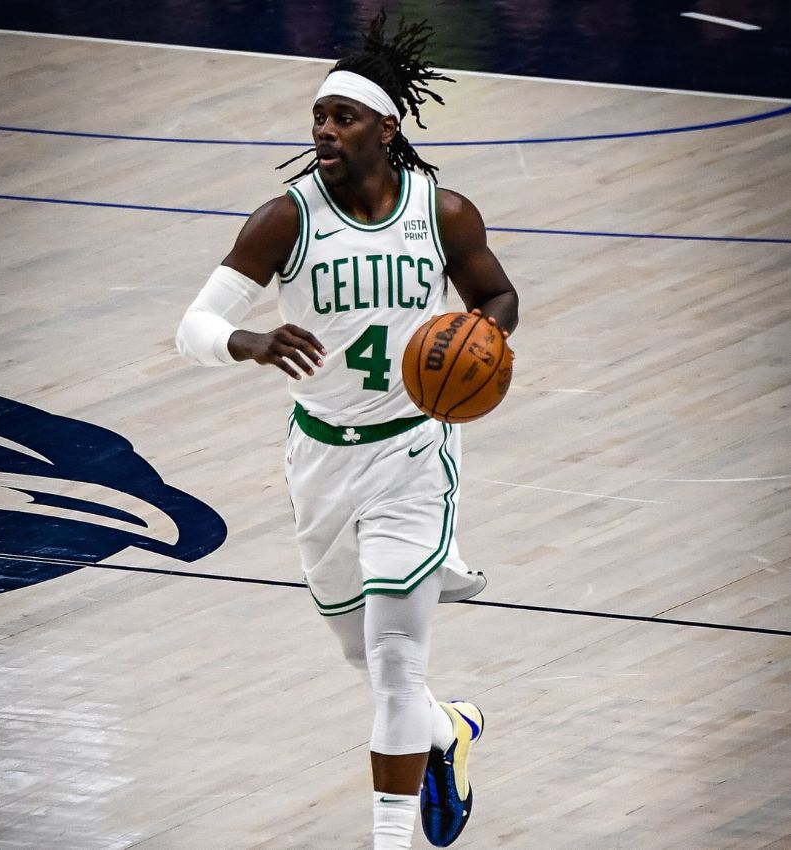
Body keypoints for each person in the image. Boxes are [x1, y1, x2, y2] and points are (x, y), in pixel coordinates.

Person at [176, 12, 518, 849]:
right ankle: (450, 732)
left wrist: (482, 343)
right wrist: (246, 340)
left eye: (343, 116)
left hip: (413, 450)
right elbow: (193, 326)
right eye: (318, 118)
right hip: (320, 457)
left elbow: (497, 298)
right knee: (364, 659)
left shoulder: (443, 211)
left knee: (396, 662)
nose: (324, 129)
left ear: (387, 128)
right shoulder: (284, 219)